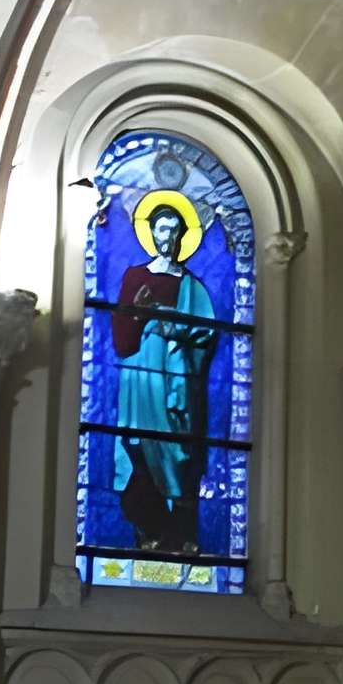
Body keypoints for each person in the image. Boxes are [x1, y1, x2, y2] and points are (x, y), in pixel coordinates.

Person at [109, 198, 220, 552]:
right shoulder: (135, 277)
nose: (167, 236)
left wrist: (175, 327)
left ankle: (178, 533)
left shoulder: (192, 286)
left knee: (175, 449)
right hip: (140, 372)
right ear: (152, 233)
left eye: (174, 230)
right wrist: (141, 313)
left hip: (175, 375)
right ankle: (146, 530)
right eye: (161, 228)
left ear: (182, 236)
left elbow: (206, 332)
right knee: (138, 443)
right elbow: (121, 332)